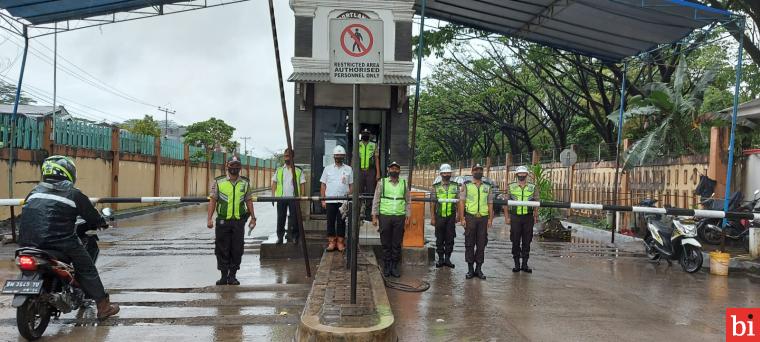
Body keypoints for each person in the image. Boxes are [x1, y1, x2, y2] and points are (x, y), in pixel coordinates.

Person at [18, 155, 120, 319]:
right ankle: (103, 306)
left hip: (28, 243)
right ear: (68, 173)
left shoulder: (34, 192)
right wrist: (102, 222)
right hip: (60, 243)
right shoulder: (73, 194)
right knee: (87, 268)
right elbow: (92, 217)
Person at [207, 156, 256, 285]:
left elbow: (249, 200)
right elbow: (213, 200)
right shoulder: (218, 182)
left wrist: (253, 217)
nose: (234, 168)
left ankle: (233, 275)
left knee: (237, 249)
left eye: (237, 165)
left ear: (240, 167)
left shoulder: (245, 183)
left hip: (239, 222)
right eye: (232, 165)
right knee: (222, 248)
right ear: (227, 166)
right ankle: (223, 276)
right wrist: (209, 219)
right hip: (223, 221)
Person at [372, 162, 411, 278]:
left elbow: (408, 201)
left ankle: (394, 266)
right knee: (385, 243)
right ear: (389, 170)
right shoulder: (382, 182)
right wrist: (374, 216)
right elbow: (376, 200)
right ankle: (386, 266)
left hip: (399, 216)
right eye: (392, 168)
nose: (394, 170)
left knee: (396, 243)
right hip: (385, 216)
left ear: (399, 171)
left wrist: (408, 215)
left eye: (396, 169)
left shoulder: (404, 183)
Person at [457, 164, 493, 280]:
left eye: (480, 170)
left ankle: (479, 269)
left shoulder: (487, 186)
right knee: (469, 243)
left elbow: (490, 203)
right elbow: (461, 202)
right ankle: (470, 269)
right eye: (476, 170)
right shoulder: (466, 185)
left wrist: (490, 219)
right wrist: (462, 218)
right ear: (472, 172)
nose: (478, 172)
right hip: (470, 217)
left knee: (481, 244)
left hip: (483, 218)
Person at [504, 165, 539, 273]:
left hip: (528, 217)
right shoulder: (511, 186)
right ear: (517, 175)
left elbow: (537, 202)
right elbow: (505, 203)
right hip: (515, 217)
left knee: (527, 241)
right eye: (520, 174)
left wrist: (536, 215)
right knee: (515, 240)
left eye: (524, 174)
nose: (522, 175)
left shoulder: (533, 187)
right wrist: (507, 217)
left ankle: (524, 264)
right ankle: (516, 264)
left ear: (527, 175)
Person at [320, 145, 353, 252]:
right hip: (330, 200)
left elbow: (351, 185)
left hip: (343, 201)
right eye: (337, 155)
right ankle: (331, 242)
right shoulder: (327, 169)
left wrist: (349, 199)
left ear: (344, 156)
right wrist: (323, 199)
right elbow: (323, 185)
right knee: (330, 221)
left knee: (341, 222)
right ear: (334, 156)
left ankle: (340, 242)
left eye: (341, 155)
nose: (338, 157)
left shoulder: (348, 169)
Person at [271, 148, 305, 244]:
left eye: (288, 156)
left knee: (295, 219)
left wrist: (301, 196)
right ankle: (280, 237)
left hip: (294, 199)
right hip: (281, 198)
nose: (286, 158)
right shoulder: (279, 170)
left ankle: (295, 237)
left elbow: (302, 184)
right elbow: (274, 183)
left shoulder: (298, 170)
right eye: (285, 156)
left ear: (292, 157)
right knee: (280, 218)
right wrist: (273, 196)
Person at [430, 163, 458, 268]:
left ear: (451, 174)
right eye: (445, 173)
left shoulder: (455, 186)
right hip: (439, 216)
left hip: (451, 216)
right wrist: (432, 217)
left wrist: (459, 215)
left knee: (450, 238)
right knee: (439, 238)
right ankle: (441, 259)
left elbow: (459, 202)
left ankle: (447, 259)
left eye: (448, 173)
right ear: (441, 174)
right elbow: (432, 203)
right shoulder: (435, 187)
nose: (446, 174)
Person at [358, 129, 380, 221]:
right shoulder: (357, 144)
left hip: (371, 171)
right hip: (359, 170)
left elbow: (376, 159)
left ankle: (369, 213)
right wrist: (351, 171)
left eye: (367, 133)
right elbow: (354, 157)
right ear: (361, 135)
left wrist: (378, 173)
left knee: (371, 191)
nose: (365, 135)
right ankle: (359, 211)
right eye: (364, 133)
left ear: (369, 135)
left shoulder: (374, 145)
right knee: (359, 191)